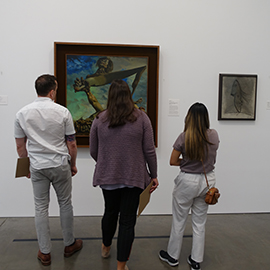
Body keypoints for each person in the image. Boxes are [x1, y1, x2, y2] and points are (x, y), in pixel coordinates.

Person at [14, 74, 83, 266]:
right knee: (65, 204)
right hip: (60, 164)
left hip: (37, 166)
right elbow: (72, 144)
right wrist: (73, 164)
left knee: (40, 207)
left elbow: (21, 148)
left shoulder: (22, 113)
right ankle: (69, 244)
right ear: (52, 91)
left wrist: (26, 166)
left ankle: (45, 252)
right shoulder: (63, 112)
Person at [90, 79, 158, 270]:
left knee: (110, 212)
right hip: (134, 178)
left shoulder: (99, 119)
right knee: (127, 221)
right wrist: (153, 174)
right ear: (129, 95)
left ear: (110, 96)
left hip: (108, 178)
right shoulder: (142, 118)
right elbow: (149, 151)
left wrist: (108, 164)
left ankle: (105, 247)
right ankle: (121, 266)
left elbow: (94, 151)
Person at [159, 102, 219, 270]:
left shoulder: (184, 136)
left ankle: (172, 257)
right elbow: (211, 158)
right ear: (206, 117)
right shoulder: (214, 135)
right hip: (208, 181)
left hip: (187, 181)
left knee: (179, 220)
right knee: (199, 222)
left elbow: (172, 161)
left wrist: (186, 163)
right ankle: (195, 261)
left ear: (189, 117)